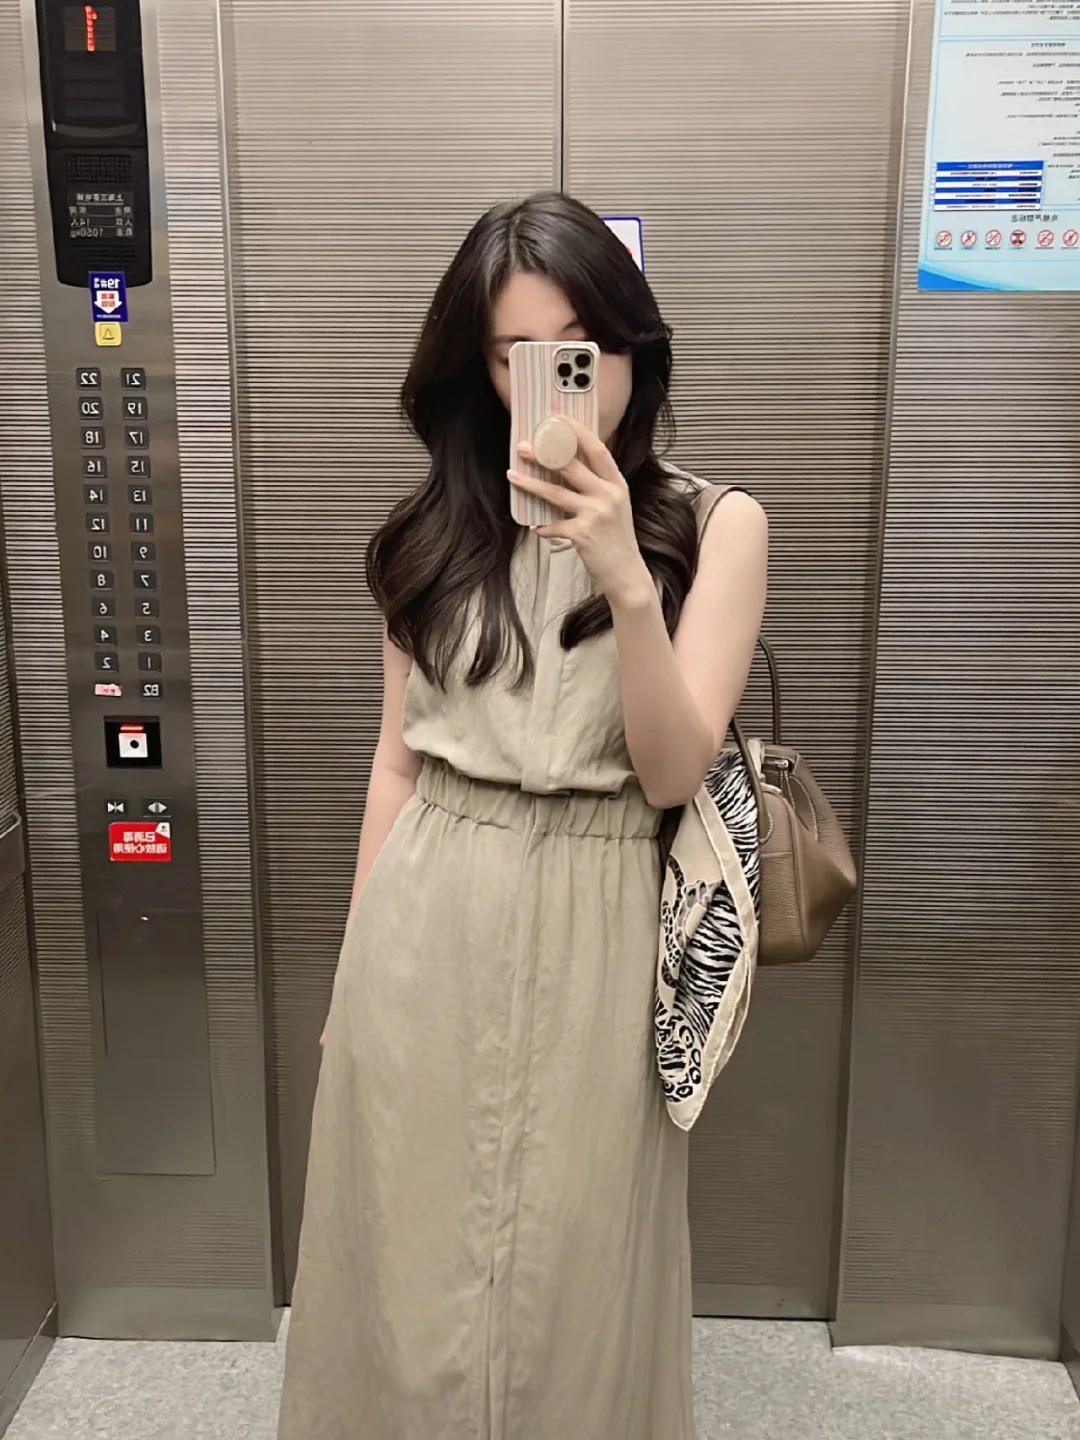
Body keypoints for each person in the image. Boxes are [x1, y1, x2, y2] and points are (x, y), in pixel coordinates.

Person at [276, 192, 768, 1440]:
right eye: (517, 356)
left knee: (577, 1272)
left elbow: (671, 772)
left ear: (632, 349)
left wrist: (625, 579)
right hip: (427, 924)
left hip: (601, 920)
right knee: (409, 1264)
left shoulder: (716, 528)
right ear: (480, 370)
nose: (555, 381)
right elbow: (396, 767)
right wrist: (349, 980)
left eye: (581, 349)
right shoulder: (432, 535)